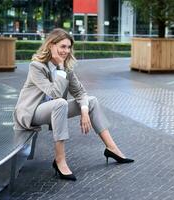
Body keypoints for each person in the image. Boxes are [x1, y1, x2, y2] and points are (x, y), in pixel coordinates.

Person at [13, 28, 133, 181]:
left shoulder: (66, 69)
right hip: (31, 112)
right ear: (51, 46)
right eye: (63, 46)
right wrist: (61, 68)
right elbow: (55, 93)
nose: (67, 51)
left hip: (54, 109)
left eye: (69, 47)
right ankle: (60, 160)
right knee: (60, 103)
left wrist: (84, 111)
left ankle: (112, 148)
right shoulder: (37, 66)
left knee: (92, 101)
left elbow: (81, 93)